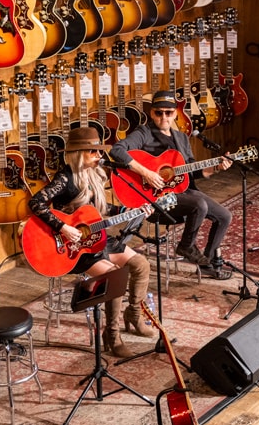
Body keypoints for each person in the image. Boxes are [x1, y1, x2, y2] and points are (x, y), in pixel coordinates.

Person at [28, 127, 154, 357]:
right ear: (79, 153)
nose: (99, 156)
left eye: (99, 151)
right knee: (116, 277)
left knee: (141, 264)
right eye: (94, 152)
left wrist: (131, 211)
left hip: (97, 239)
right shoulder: (65, 178)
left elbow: (102, 210)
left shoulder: (95, 175)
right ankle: (111, 336)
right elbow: (36, 203)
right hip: (72, 248)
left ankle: (134, 315)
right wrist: (63, 227)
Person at [110, 91, 233, 280]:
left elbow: (191, 173)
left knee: (224, 216)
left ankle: (207, 263)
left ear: (175, 114)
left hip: (180, 192)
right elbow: (117, 150)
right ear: (152, 113)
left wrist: (215, 168)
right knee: (199, 204)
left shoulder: (181, 138)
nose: (163, 117)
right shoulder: (144, 133)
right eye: (159, 113)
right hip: (155, 198)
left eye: (168, 113)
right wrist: (147, 173)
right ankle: (186, 245)